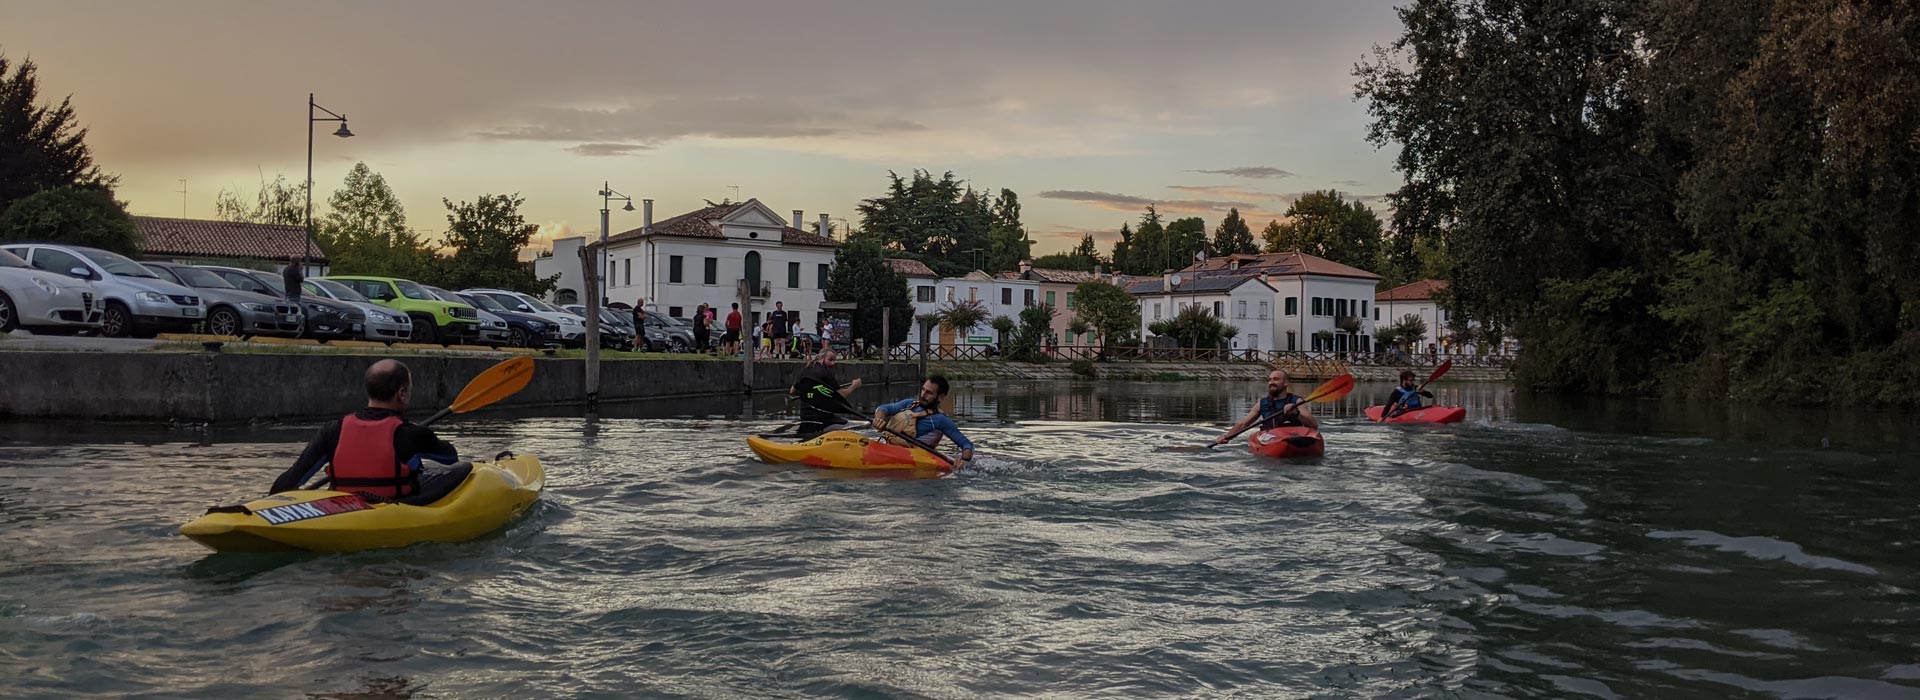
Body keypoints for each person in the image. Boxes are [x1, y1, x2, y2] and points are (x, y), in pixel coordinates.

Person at [270, 360, 470, 503]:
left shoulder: (333, 429)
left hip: (343, 506)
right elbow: (451, 458)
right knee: (466, 469)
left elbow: (290, 481)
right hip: (396, 507)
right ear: (402, 393)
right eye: (409, 390)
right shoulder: (411, 433)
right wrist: (421, 437)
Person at [872, 375, 974, 465]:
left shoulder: (941, 420)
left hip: (909, 460)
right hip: (887, 449)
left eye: (929, 393)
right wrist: (879, 419)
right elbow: (883, 408)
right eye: (923, 390)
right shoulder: (909, 404)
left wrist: (964, 459)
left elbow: (967, 445)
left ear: (940, 397)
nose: (923, 395)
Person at [1216, 369, 1318, 445]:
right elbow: (1243, 424)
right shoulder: (1262, 403)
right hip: (1272, 438)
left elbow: (1313, 425)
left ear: (1286, 383)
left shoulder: (1297, 401)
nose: (1271, 382)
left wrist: (1296, 414)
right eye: (1270, 380)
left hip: (1295, 437)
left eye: (1276, 379)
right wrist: (1227, 437)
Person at [789, 347, 861, 435]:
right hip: (823, 419)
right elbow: (841, 396)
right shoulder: (825, 373)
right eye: (830, 360)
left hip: (805, 417)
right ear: (821, 358)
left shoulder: (804, 370)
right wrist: (854, 386)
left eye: (834, 360)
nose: (833, 363)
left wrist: (809, 393)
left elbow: (792, 391)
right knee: (854, 426)